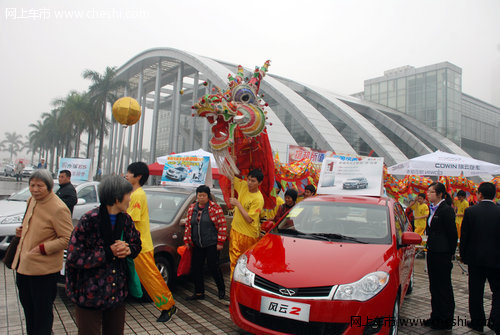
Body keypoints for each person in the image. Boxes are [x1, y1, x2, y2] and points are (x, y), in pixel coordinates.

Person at [65, 176, 142, 335]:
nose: (130, 198)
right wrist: (108, 252)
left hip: (116, 294)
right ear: (116, 198)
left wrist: (129, 249)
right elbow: (74, 257)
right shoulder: (89, 220)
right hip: (89, 294)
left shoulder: (126, 220)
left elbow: (136, 244)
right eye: (128, 194)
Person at [11, 169, 74, 335]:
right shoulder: (32, 200)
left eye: (40, 186)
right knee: (28, 309)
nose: (35, 189)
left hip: (43, 270)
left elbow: (67, 238)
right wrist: (22, 231)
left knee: (42, 313)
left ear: (49, 186)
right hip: (24, 266)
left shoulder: (58, 208)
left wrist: (42, 248)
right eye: (32, 185)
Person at [125, 162, 177, 323]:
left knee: (151, 278)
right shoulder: (132, 193)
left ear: (138, 176)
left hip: (140, 246)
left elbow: (131, 219)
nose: (126, 175)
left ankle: (168, 306)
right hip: (130, 244)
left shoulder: (138, 195)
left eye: (129, 173)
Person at [459, 182, 500, 333]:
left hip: (475, 260)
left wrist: (463, 255)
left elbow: (464, 237)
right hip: (497, 260)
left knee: (476, 292)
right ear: (494, 195)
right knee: (498, 291)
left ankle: (477, 322)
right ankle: (495, 321)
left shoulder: (471, 211)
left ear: (480, 194)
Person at [423, 182, 457, 330]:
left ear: (440, 194)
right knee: (434, 286)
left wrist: (450, 253)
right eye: (428, 191)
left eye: (431, 192)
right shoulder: (433, 209)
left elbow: (452, 234)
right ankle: (435, 316)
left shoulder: (446, 210)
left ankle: (445, 319)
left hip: (442, 254)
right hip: (432, 252)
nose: (428, 194)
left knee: (443, 287)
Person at [183, 185, 227, 300]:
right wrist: (187, 240)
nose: (201, 198)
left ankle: (221, 289)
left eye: (203, 195)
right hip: (197, 243)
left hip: (212, 243)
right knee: (196, 268)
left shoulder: (215, 208)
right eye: (199, 195)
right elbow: (188, 225)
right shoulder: (192, 208)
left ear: (208, 196)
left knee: (213, 267)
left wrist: (220, 242)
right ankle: (199, 292)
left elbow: (222, 225)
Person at [228, 169, 265, 278]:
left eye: (253, 181)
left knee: (245, 264)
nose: (249, 183)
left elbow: (249, 219)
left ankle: (242, 286)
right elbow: (230, 177)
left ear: (259, 183)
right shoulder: (243, 185)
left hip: (248, 236)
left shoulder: (258, 199)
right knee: (233, 262)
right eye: (248, 179)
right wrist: (232, 165)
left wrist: (237, 204)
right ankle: (233, 285)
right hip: (235, 230)